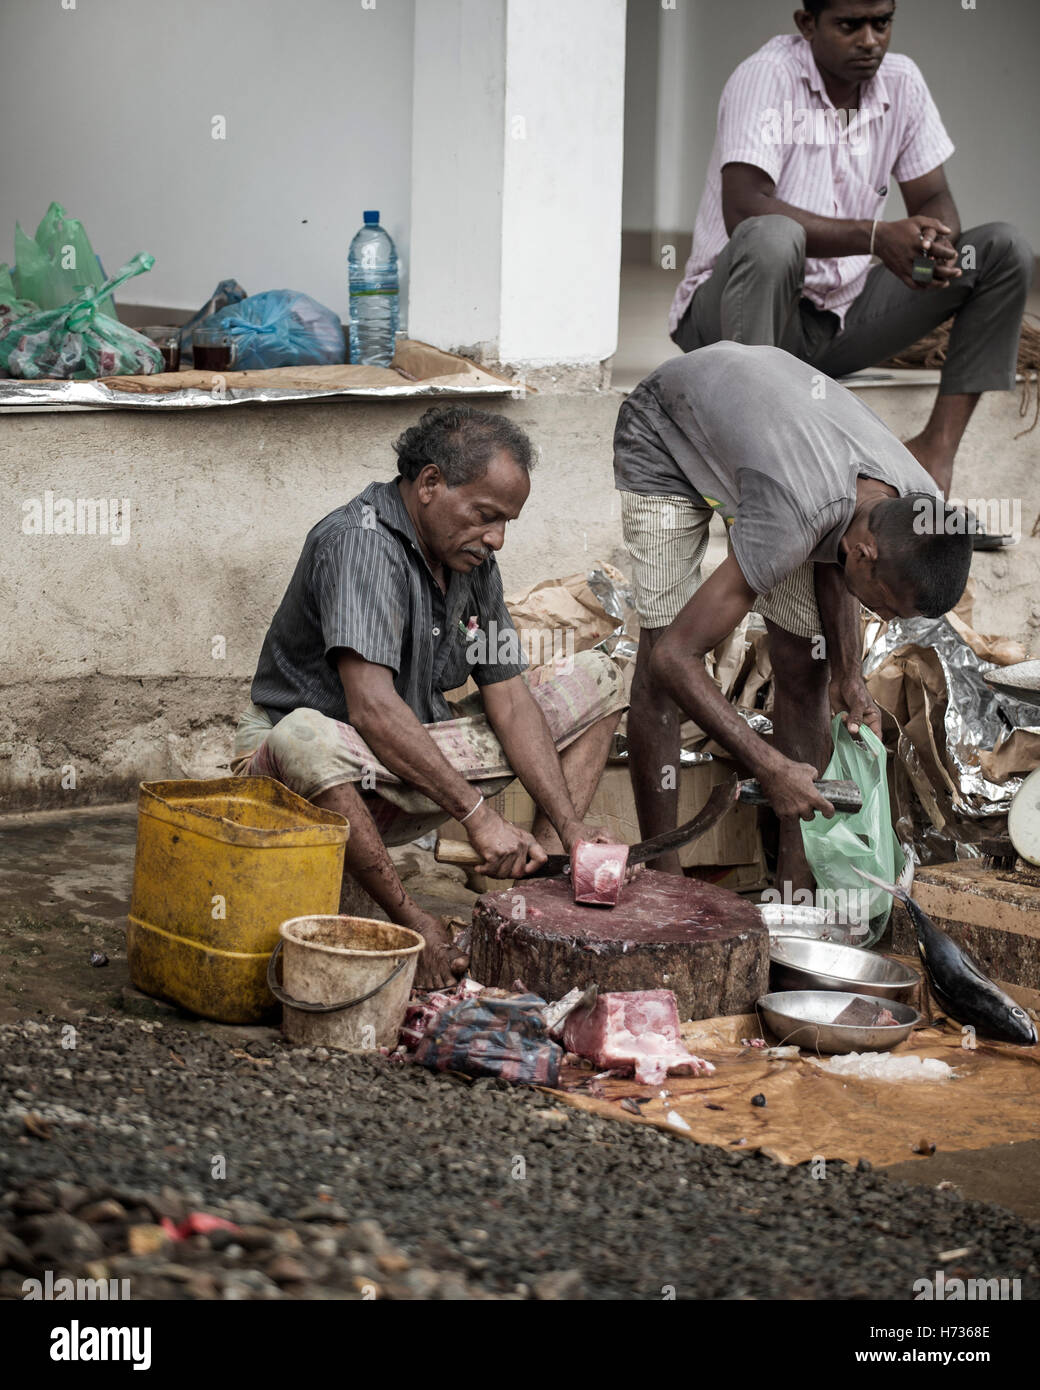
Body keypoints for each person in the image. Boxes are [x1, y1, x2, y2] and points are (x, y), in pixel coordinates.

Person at [234, 406, 627, 988]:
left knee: (599, 676)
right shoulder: (358, 544)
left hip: (408, 765)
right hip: (314, 779)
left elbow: (511, 699)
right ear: (430, 483)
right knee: (303, 731)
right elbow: (369, 708)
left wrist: (571, 828)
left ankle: (537, 898)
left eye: (506, 522)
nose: (496, 537)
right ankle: (411, 924)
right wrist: (479, 818)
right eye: (486, 515)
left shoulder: (473, 564)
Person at [615, 341, 972, 892]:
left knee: (809, 664)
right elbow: (673, 658)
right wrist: (767, 765)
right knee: (663, 660)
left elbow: (839, 549)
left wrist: (850, 678)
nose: (882, 618)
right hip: (668, 427)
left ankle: (795, 890)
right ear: (865, 555)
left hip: (772, 449)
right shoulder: (794, 516)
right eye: (883, 607)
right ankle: (664, 881)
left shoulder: (918, 501)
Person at [668, 0, 1032, 514]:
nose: (869, 40)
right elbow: (745, 207)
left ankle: (934, 453)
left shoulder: (901, 81)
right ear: (806, 24)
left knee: (1001, 250)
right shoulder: (766, 78)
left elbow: (932, 199)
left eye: (881, 23)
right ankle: (757, 466)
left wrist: (933, 244)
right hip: (734, 319)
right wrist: (878, 237)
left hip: (836, 324)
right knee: (774, 237)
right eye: (848, 25)